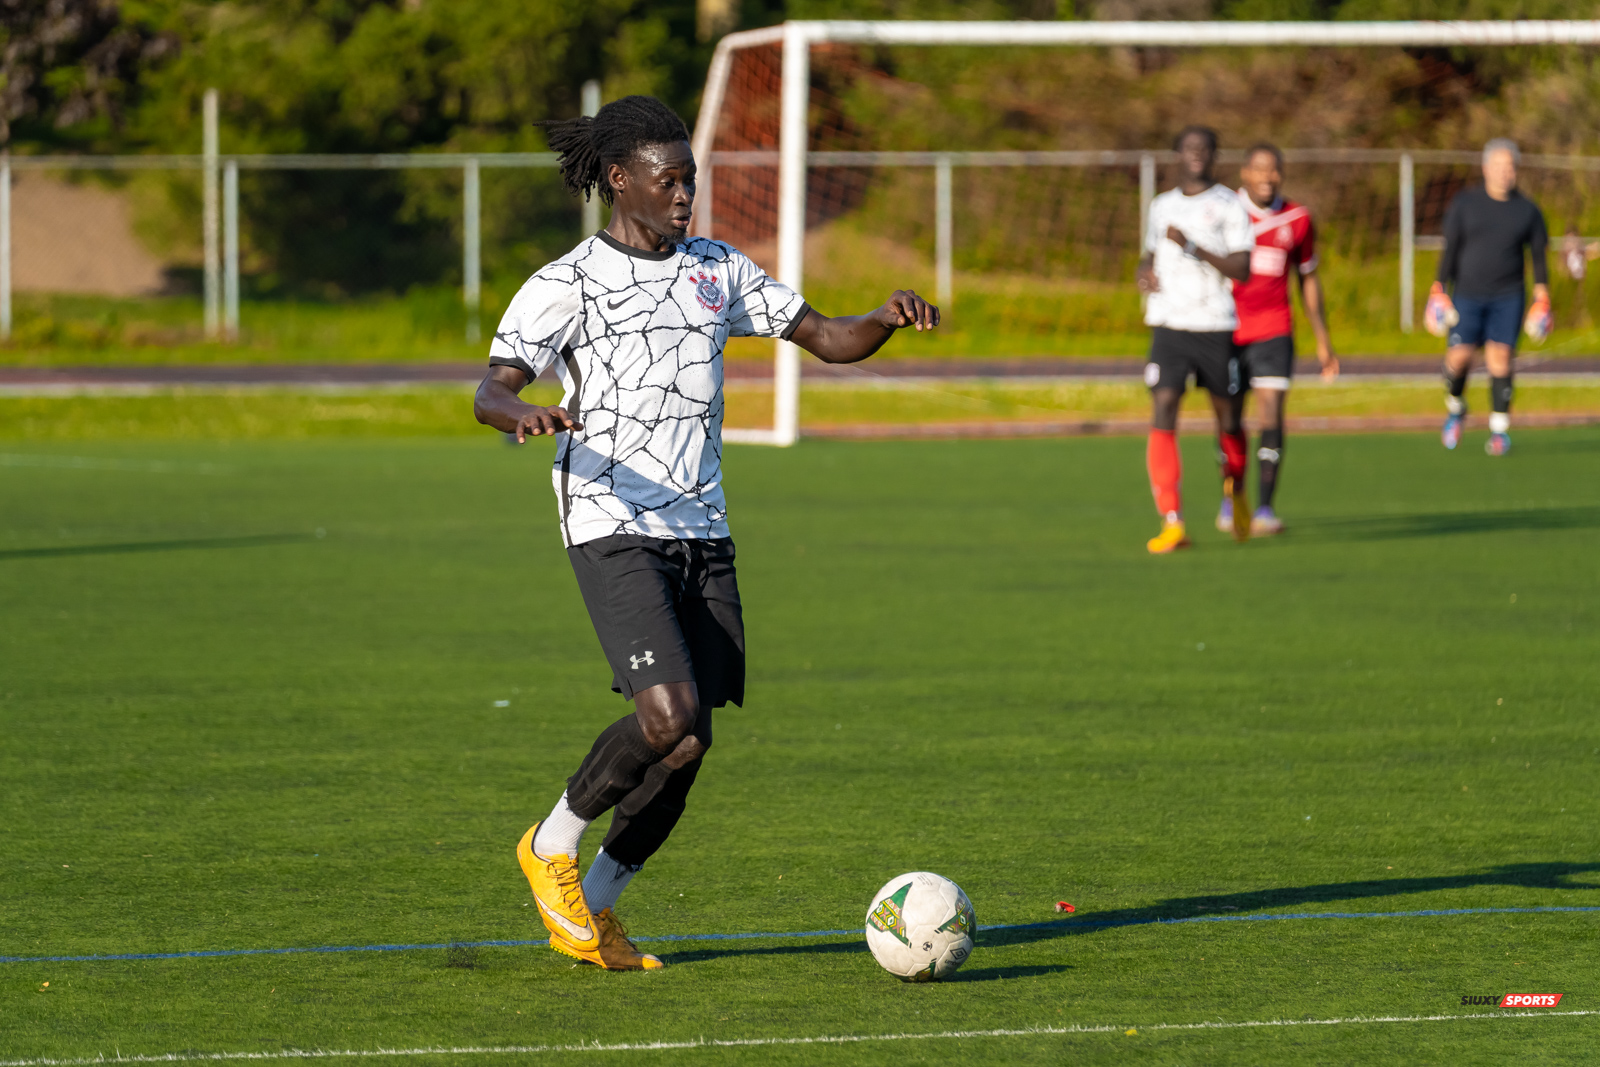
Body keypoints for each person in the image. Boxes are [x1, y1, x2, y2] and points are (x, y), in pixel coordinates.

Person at [473, 95, 938, 971]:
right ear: (620, 180)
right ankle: (550, 843)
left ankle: (600, 907)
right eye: (670, 179)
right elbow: (489, 389)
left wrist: (883, 314)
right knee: (666, 713)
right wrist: (521, 413)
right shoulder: (565, 282)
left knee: (690, 742)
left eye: (691, 179)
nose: (687, 194)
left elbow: (830, 338)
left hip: (702, 525)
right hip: (611, 521)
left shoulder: (716, 269)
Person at [1137, 126, 1255, 554]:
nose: (1196, 155)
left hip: (1214, 324)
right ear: (1177, 154)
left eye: (1204, 149)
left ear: (1213, 155)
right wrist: (1144, 274)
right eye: (1188, 148)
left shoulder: (1228, 205)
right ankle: (1172, 520)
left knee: (1227, 419)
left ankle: (1236, 487)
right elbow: (1149, 253)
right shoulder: (1161, 205)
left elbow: (1242, 268)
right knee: (1164, 404)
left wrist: (1193, 246)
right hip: (1168, 323)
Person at [1224, 143, 1338, 538]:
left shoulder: (1298, 219)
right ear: (1244, 173)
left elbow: (1307, 277)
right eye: (1258, 170)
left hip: (1274, 330)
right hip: (1226, 331)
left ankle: (1266, 508)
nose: (1266, 177)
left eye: (1273, 170)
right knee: (1230, 419)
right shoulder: (1224, 211)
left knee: (1271, 413)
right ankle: (1232, 495)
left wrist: (1323, 339)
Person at [1429, 138, 1550, 456]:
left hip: (1508, 296)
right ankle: (1456, 408)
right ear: (1485, 168)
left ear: (1517, 170)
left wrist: (1543, 299)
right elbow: (1450, 250)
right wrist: (1438, 290)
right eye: (1498, 165)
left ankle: (1499, 432)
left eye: (1510, 166)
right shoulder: (1465, 204)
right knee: (1458, 359)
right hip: (1467, 294)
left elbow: (1538, 258)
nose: (1504, 172)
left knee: (1500, 359)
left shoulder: (1528, 211)